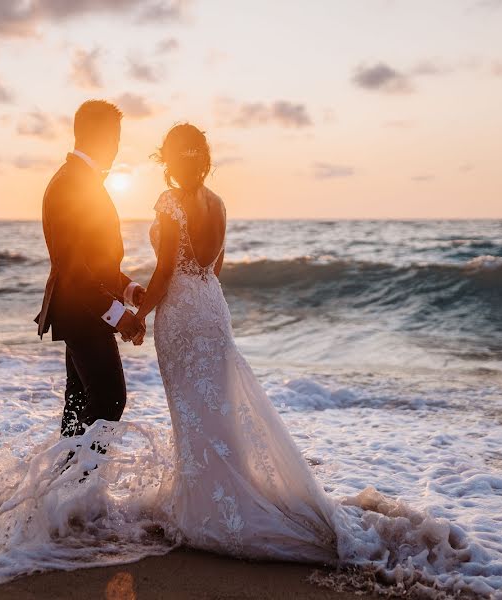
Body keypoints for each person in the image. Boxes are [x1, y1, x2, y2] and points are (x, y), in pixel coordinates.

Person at [132, 124, 338, 561]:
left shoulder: (170, 202)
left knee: (192, 412)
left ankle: (206, 511)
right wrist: (196, 292)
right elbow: (216, 264)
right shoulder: (218, 203)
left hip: (182, 312)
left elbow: (166, 268)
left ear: (170, 159)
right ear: (202, 158)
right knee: (217, 409)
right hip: (211, 305)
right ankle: (220, 497)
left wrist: (138, 314)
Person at [35, 99, 146, 439]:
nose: (117, 147)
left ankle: (66, 482)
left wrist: (128, 289)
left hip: (81, 311)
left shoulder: (79, 178)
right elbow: (73, 269)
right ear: (98, 136)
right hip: (83, 312)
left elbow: (94, 259)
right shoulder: (72, 183)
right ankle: (79, 482)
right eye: (114, 137)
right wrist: (119, 315)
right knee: (109, 401)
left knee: (80, 402)